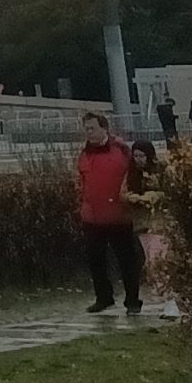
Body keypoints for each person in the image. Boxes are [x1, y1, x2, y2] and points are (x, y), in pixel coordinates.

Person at [76, 112, 144, 317]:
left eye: (92, 128)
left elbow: (134, 176)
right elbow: (81, 182)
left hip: (119, 217)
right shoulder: (84, 154)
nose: (89, 132)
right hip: (92, 217)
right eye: (86, 129)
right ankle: (103, 298)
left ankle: (132, 301)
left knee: (127, 261)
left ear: (104, 128)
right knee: (95, 260)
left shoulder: (121, 150)